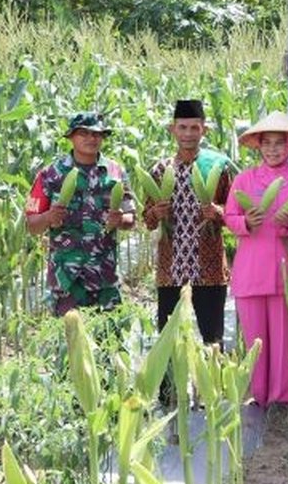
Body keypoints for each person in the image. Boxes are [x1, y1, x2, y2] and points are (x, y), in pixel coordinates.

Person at [224, 111, 288, 406]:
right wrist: (245, 223)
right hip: (251, 271)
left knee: (284, 343)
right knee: (256, 341)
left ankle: (282, 400)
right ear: (258, 146)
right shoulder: (244, 180)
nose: (273, 149)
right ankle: (259, 397)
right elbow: (230, 217)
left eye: (280, 143)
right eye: (267, 143)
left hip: (287, 273)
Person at [142, 99, 235, 346]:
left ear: (204, 130)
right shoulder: (160, 171)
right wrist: (157, 214)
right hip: (170, 270)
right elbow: (147, 220)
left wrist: (217, 212)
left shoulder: (217, 167)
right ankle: (169, 386)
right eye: (182, 127)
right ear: (173, 130)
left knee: (213, 339)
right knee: (168, 341)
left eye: (195, 128)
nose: (188, 134)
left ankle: (213, 386)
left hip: (209, 269)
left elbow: (235, 215)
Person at [26, 112, 136, 316]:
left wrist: (120, 220)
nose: (91, 139)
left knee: (109, 342)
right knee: (70, 343)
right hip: (66, 281)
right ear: (71, 137)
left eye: (97, 134)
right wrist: (48, 217)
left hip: (105, 278)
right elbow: (32, 225)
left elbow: (131, 219)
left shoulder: (115, 172)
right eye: (83, 133)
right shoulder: (50, 175)